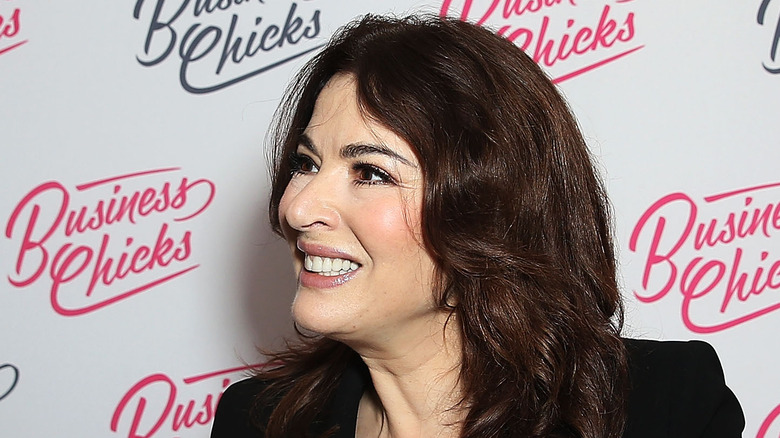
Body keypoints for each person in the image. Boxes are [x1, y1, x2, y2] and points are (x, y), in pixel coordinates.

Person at [211, 14, 744, 438]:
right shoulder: (256, 421)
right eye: (305, 164)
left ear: (490, 214)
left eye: (370, 172)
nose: (298, 208)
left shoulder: (659, 407)